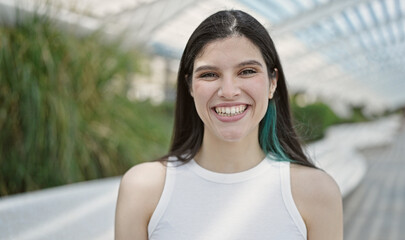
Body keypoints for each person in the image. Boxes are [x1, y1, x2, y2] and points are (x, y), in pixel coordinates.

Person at [115, 10, 343, 240]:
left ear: (273, 82)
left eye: (247, 71)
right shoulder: (143, 189)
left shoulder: (317, 193)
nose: (229, 91)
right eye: (209, 74)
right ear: (190, 86)